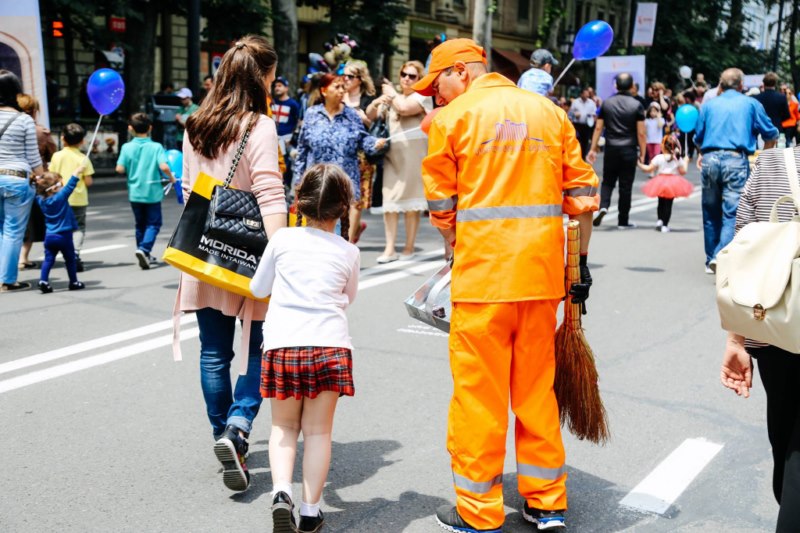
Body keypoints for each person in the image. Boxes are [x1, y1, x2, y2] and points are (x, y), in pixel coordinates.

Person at [412, 37, 599, 532]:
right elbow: (582, 194)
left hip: (482, 281)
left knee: (480, 397)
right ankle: (547, 503)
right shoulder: (550, 113)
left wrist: (457, 246)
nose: (435, 97)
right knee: (536, 391)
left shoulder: (452, 120)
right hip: (540, 278)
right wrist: (579, 265)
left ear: (461, 71)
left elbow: (442, 208)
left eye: (437, 85)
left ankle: (478, 511)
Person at [176, 35, 287, 493]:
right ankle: (238, 428)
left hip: (204, 250)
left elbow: (189, 192)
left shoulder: (196, 124)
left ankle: (221, 434)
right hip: (251, 251)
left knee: (213, 352)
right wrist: (281, 257)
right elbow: (270, 194)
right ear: (263, 77)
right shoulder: (260, 126)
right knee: (261, 347)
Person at [250, 163, 359, 533]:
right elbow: (349, 297)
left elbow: (258, 288)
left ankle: (282, 492)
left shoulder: (282, 240)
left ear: (298, 201)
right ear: (342, 208)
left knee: (283, 426)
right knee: (318, 433)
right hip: (329, 347)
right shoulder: (348, 252)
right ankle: (311, 512)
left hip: (283, 343)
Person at [719, 144, 800, 531]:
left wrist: (736, 340)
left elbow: (743, 255)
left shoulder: (770, 164)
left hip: (775, 325)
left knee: (785, 438)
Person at [694, 67, 779, 274]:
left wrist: (703, 153)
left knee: (710, 210)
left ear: (721, 84)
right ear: (741, 85)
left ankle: (710, 258)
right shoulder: (751, 104)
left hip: (710, 159)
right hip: (736, 160)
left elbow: (698, 137)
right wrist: (764, 159)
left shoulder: (709, 105)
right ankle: (720, 255)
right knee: (732, 212)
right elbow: (771, 134)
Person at [293, 73, 386, 242]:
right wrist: (298, 181)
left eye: (343, 87)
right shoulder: (312, 114)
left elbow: (362, 139)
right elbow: (302, 149)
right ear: (324, 91)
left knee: (337, 231)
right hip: (317, 181)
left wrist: (374, 143)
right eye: (337, 87)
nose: (342, 90)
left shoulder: (351, 115)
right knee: (314, 230)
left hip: (342, 181)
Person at [368, 60, 432, 263]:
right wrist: (378, 101)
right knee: (390, 201)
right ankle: (389, 249)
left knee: (412, 203)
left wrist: (391, 93)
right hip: (391, 155)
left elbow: (404, 109)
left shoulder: (422, 96)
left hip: (414, 155)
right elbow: (371, 116)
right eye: (404, 74)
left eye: (412, 76)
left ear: (419, 79)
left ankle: (409, 247)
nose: (406, 79)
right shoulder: (394, 97)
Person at [0, 69, 45, 292]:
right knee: (12, 231)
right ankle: (7, 280)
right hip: (17, 178)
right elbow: (33, 157)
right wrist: (42, 176)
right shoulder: (24, 120)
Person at [115, 113, 175, 269]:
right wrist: (171, 178)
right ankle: (144, 249)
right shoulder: (156, 147)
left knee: (140, 224)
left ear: (130, 128)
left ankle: (143, 252)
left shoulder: (126, 147)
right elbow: (164, 166)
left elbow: (119, 169)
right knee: (154, 223)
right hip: (152, 193)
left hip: (135, 192)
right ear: (150, 128)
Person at [587, 72, 646, 229]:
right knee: (626, 186)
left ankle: (603, 206)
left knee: (607, 181)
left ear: (616, 85)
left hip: (611, 148)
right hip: (629, 149)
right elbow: (641, 132)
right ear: (632, 86)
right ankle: (623, 220)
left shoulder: (607, 103)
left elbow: (598, 127)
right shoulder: (637, 105)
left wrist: (593, 149)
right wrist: (643, 152)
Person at [16, 94, 56, 271]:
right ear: (33, 111)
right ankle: (22, 258)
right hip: (33, 179)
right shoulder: (40, 132)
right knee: (29, 222)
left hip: (8, 177)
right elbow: (51, 153)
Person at [49, 123, 94, 273]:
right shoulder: (83, 158)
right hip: (79, 199)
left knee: (61, 226)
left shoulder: (56, 156)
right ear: (82, 141)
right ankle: (75, 253)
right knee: (79, 227)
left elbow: (52, 177)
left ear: (62, 138)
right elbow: (88, 181)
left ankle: (55, 253)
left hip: (60, 198)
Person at [33, 169, 86, 292]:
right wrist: (77, 171)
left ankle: (43, 281)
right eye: (60, 184)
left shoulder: (40, 200)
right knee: (70, 259)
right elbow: (71, 185)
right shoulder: (60, 198)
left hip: (49, 236)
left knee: (48, 259)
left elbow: (39, 190)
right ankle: (74, 282)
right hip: (64, 236)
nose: (63, 186)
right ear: (54, 188)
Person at [343, 60, 378, 240]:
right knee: (341, 199)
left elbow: (374, 125)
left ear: (360, 79)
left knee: (356, 200)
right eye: (343, 75)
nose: (345, 79)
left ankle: (349, 242)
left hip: (361, 155)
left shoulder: (368, 100)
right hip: (341, 154)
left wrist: (363, 118)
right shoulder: (338, 95)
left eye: (350, 76)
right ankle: (353, 229)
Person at [636, 135, 692, 232]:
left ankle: (659, 220)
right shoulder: (677, 158)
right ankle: (665, 225)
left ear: (663, 146)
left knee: (661, 202)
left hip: (660, 182)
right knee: (668, 205)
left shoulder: (659, 157)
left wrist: (639, 164)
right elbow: (683, 172)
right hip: (672, 183)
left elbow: (648, 169)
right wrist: (686, 161)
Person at [271, 76, 301, 158]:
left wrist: (293, 138)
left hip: (286, 140)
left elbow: (298, 121)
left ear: (286, 88)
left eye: (280, 86)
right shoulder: (272, 102)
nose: (277, 88)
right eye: (275, 86)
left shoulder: (293, 104)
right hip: (273, 138)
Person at [569, 87, 597, 160]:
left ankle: (583, 158)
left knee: (585, 142)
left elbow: (594, 113)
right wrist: (575, 114)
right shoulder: (576, 102)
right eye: (585, 93)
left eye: (587, 93)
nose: (587, 95)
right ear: (581, 94)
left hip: (587, 125)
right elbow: (570, 113)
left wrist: (593, 118)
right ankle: (576, 157)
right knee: (577, 141)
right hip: (577, 125)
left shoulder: (591, 103)